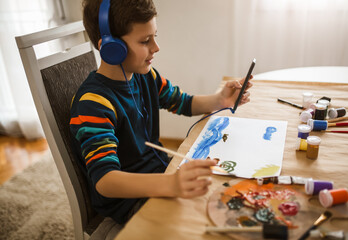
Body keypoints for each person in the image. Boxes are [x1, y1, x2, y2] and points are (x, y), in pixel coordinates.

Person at [70, 0, 252, 225]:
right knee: (203, 223)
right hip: (130, 200)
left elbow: (181, 102)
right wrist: (171, 184)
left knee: (229, 196)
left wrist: (220, 100)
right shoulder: (93, 104)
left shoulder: (146, 76)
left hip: (162, 173)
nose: (156, 47)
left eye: (155, 36)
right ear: (111, 49)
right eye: (145, 41)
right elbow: (105, 181)